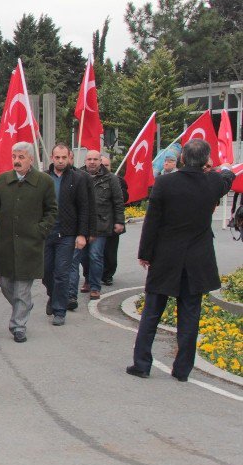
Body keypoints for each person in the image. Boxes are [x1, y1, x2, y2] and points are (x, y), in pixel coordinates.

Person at [127, 139, 235, 381]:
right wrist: (218, 167)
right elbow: (228, 176)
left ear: (182, 158)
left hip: (165, 257)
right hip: (197, 259)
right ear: (207, 160)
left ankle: (142, 363)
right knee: (190, 314)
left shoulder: (165, 182)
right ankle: (182, 370)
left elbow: (152, 221)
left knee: (152, 312)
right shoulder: (214, 182)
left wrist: (145, 253)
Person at [0, 143, 57, 343]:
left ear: (31, 159)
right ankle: (24, 305)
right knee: (5, 284)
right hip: (6, 243)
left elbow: (52, 210)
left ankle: (18, 326)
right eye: (14, 156)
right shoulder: (3, 180)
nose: (16, 160)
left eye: (21, 157)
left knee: (22, 287)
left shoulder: (44, 181)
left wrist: (41, 231)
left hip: (29, 244)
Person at [42, 144, 89, 325]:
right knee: (46, 271)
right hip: (46, 233)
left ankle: (59, 310)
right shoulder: (43, 178)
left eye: (64, 157)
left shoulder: (77, 178)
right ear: (52, 158)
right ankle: (52, 295)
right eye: (57, 157)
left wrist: (82, 234)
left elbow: (84, 208)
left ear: (69, 157)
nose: (60, 161)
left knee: (62, 273)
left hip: (67, 234)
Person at [69, 151, 124, 301]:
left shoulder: (111, 179)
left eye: (95, 159)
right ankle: (88, 278)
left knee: (95, 255)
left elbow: (118, 201)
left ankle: (95, 287)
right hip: (81, 224)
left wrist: (119, 222)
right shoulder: (77, 176)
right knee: (83, 257)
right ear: (85, 161)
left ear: (100, 161)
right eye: (89, 159)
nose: (92, 162)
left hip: (101, 224)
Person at [99, 155, 127, 286]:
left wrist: (119, 221)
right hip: (97, 222)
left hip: (111, 222)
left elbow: (121, 201)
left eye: (107, 165)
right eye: (102, 164)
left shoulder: (117, 180)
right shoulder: (91, 179)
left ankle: (108, 274)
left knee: (110, 251)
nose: (104, 168)